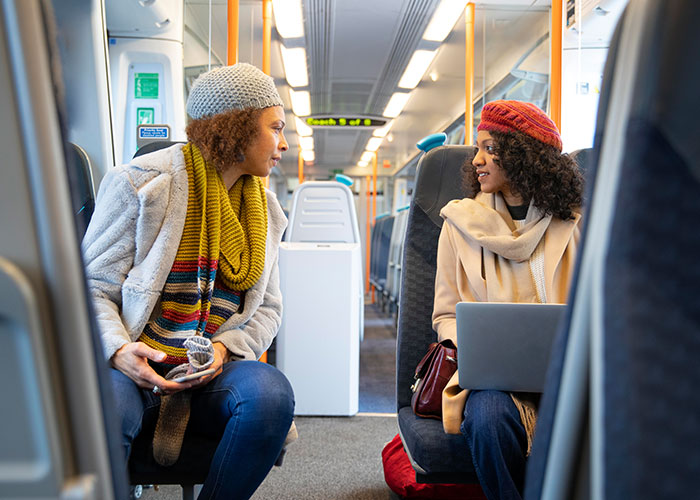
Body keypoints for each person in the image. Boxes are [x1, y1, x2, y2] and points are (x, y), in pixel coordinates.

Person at [82, 62, 295, 500]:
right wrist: (119, 350)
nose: (284, 144)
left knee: (270, 396)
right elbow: (90, 287)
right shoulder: (140, 184)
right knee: (108, 408)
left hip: (212, 370)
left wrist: (222, 349)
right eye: (275, 128)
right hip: (134, 362)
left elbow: (269, 308)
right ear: (235, 128)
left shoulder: (268, 211)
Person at [432, 100, 583, 500]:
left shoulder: (577, 221)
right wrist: (481, 344)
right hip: (493, 380)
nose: (477, 159)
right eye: (477, 148)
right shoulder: (459, 225)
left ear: (523, 156)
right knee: (487, 417)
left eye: (489, 148)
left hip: (567, 374)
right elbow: (445, 314)